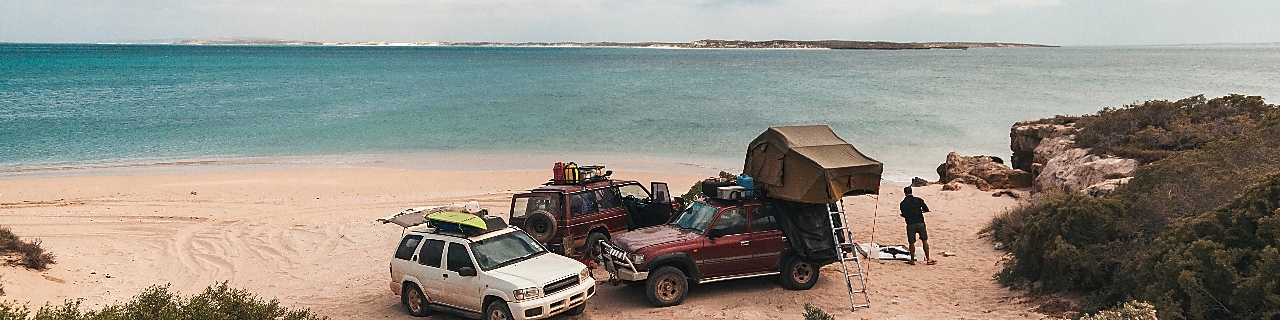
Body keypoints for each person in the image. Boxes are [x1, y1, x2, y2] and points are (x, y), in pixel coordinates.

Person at [900, 186, 935, 265]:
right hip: (920, 222)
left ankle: (912, 260)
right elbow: (926, 209)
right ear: (911, 191)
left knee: (911, 242)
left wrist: (905, 215)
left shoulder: (903, 203)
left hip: (910, 224)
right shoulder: (918, 200)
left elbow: (904, 214)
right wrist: (919, 211)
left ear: (905, 193)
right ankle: (928, 259)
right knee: (924, 240)